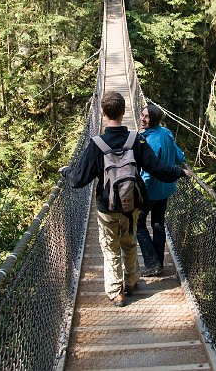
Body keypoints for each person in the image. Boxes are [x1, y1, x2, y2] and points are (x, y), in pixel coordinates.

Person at [59, 91, 190, 307]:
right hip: (132, 204)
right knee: (129, 242)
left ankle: (116, 292)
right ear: (124, 112)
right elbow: (157, 168)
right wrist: (179, 173)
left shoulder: (96, 144)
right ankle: (131, 281)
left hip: (106, 206)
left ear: (101, 112)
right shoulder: (136, 139)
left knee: (110, 248)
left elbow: (78, 180)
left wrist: (66, 171)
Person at [137, 104, 186, 277]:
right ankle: (159, 263)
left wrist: (140, 193)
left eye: (147, 117)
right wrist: (181, 163)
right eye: (142, 115)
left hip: (151, 191)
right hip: (166, 189)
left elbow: (148, 174)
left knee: (137, 225)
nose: (143, 119)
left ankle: (152, 264)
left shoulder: (148, 141)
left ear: (154, 120)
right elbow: (179, 156)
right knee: (157, 224)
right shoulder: (166, 132)